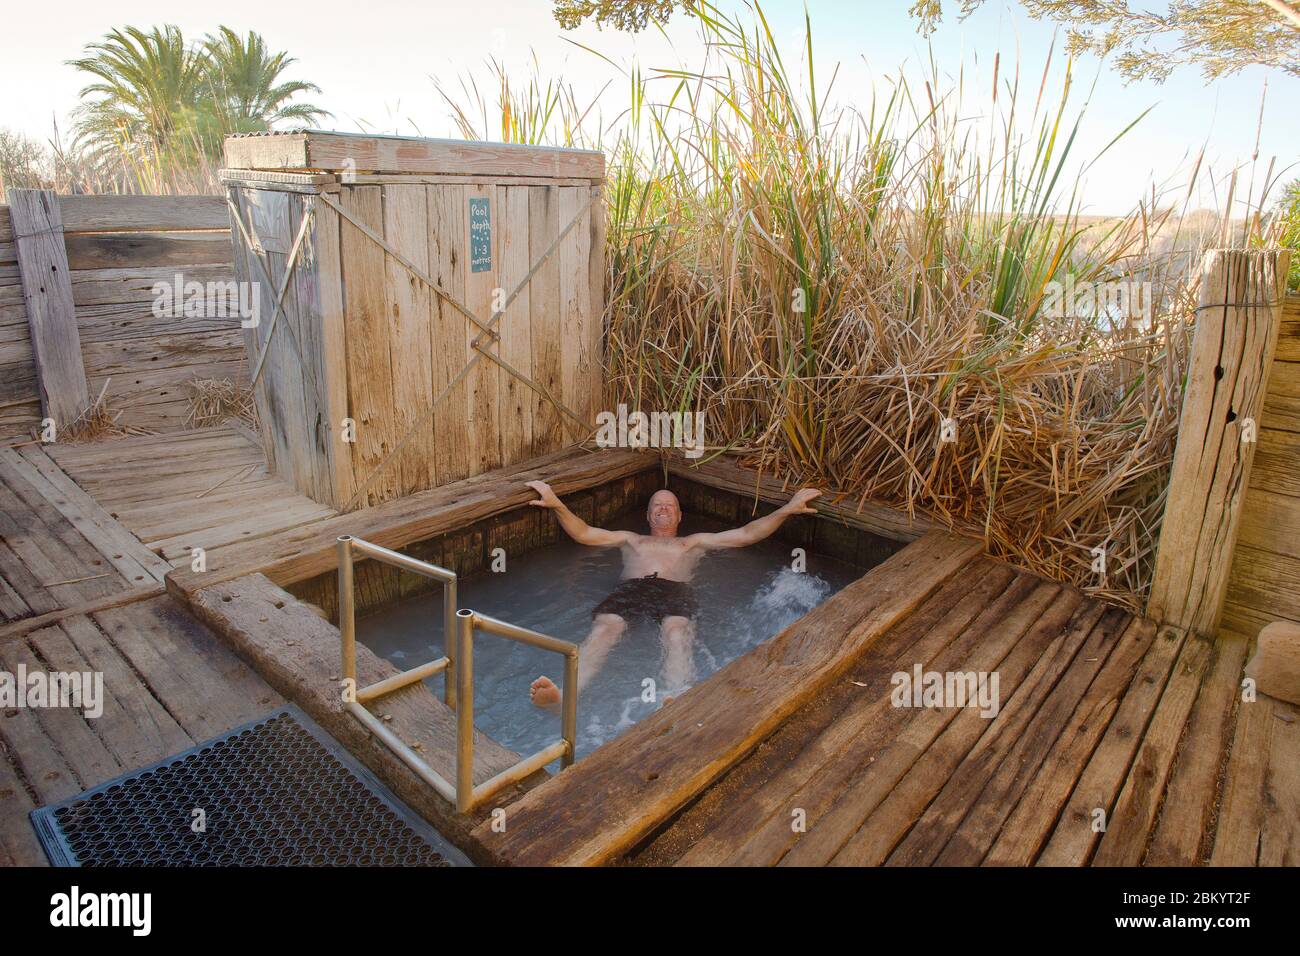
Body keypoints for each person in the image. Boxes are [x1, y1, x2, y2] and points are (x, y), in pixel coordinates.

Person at [524, 480, 821, 706]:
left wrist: (787, 509)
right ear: (648, 515)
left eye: (669, 505)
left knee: (676, 630)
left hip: (675, 590)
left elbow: (746, 534)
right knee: (606, 628)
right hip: (632, 588)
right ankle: (564, 696)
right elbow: (584, 533)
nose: (663, 508)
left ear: (679, 515)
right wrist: (556, 504)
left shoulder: (693, 542)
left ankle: (676, 698)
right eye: (657, 505)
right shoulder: (631, 540)